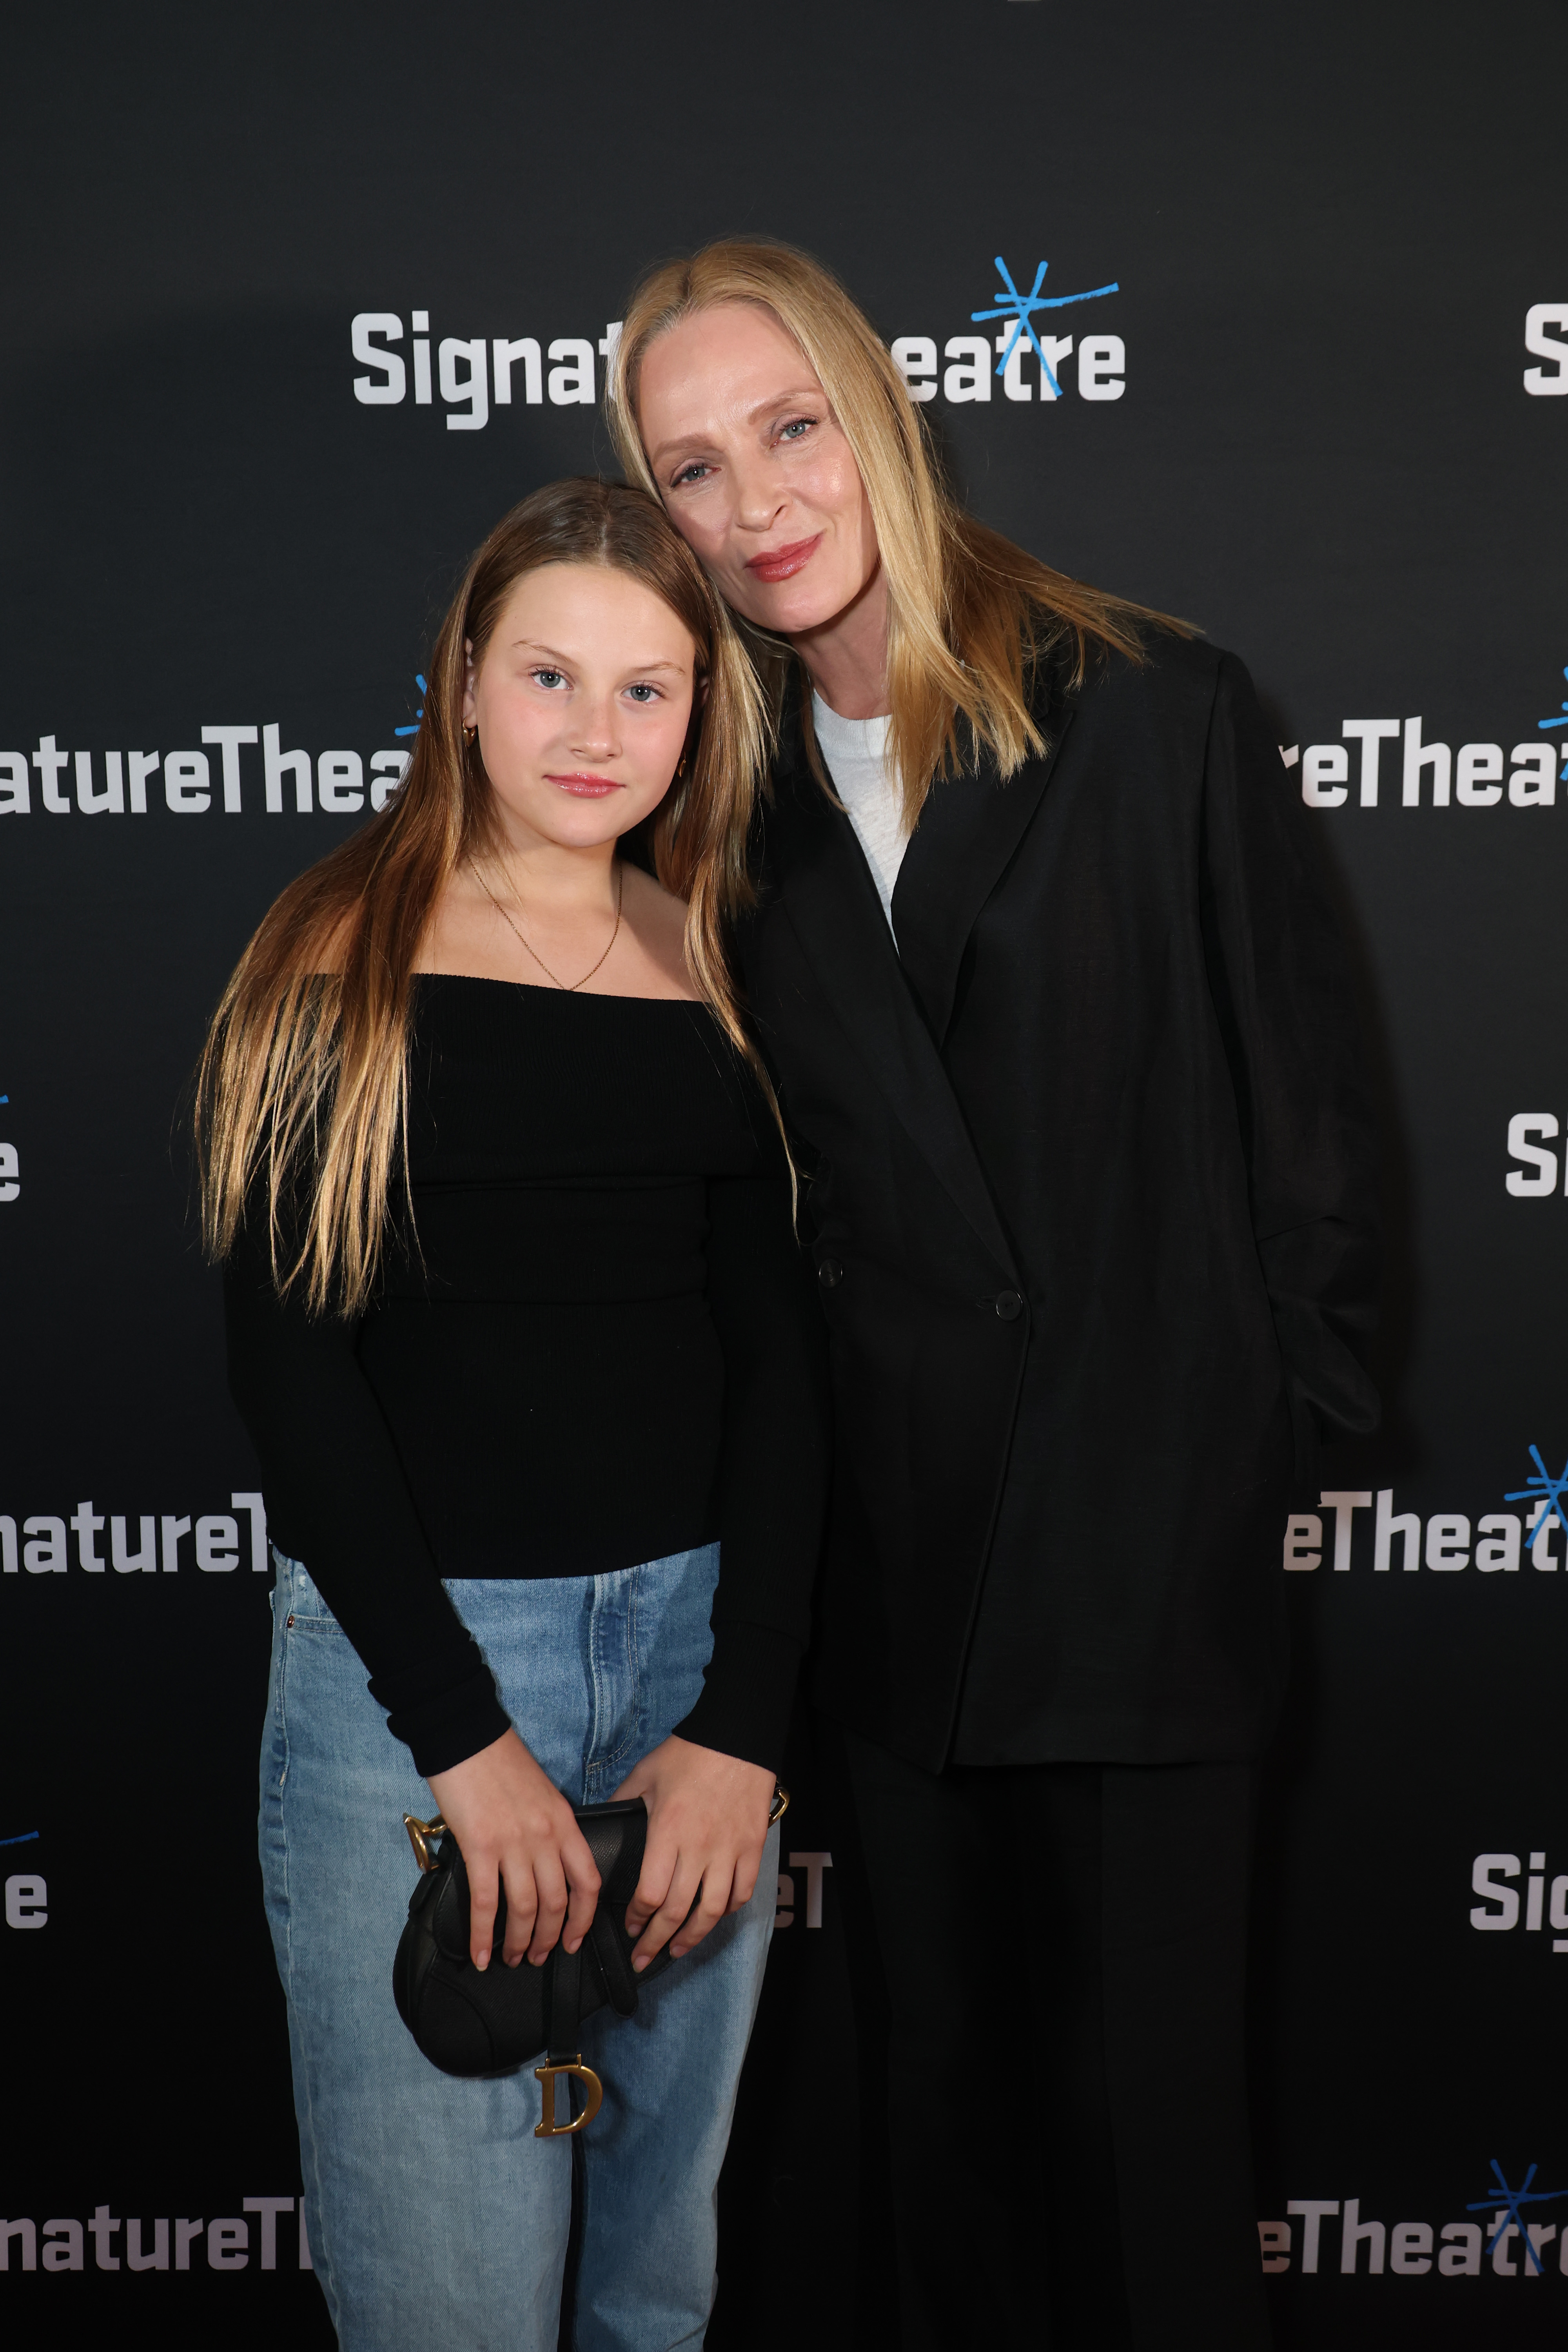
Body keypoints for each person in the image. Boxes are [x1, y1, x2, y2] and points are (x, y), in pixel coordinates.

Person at [610, 241, 1380, 2352]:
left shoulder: (1153, 704)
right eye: (692, 469)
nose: (757, 502)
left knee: (1151, 2187)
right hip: (896, 1581)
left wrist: (1239, 1452)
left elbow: (1315, 1141)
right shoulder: (707, 800)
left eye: (787, 428)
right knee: (942, 2174)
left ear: (873, 409)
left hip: (1140, 1570)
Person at [195, 477, 828, 2352]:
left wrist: (741, 1727)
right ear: (465, 677)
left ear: (701, 709)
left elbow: (781, 1366)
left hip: (689, 1680)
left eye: (646, 689)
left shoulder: (715, 963)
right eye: (549, 675)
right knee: (450, 2308)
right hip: (421, 1697)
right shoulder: (336, 950)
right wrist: (465, 1747)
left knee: (654, 2290)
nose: (593, 732)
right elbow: (289, 1371)